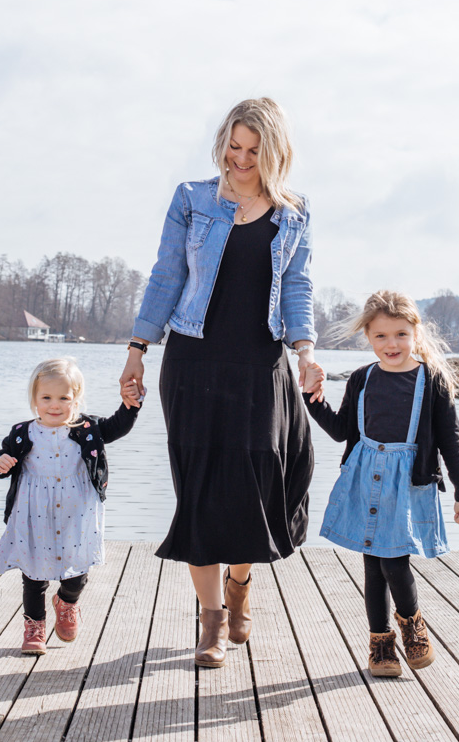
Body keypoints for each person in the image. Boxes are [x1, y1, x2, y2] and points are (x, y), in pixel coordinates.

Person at [119, 97, 322, 668]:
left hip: (261, 367)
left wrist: (306, 352)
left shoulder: (295, 211)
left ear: (275, 153)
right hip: (193, 363)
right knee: (201, 494)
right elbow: (167, 275)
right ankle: (210, 623)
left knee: (256, 490)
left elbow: (299, 286)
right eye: (233, 147)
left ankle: (240, 584)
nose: (239, 159)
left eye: (253, 151)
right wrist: (137, 350)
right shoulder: (192, 199)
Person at [302, 291, 459, 678]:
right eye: (380, 336)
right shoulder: (362, 378)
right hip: (365, 476)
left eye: (399, 334)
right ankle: (381, 645)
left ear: (415, 332)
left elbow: (451, 440)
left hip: (408, 483)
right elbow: (344, 430)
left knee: (394, 559)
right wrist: (314, 401)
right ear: (368, 337)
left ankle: (411, 624)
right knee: (373, 564)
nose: (391, 344)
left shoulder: (432, 381)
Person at [0, 356, 141, 655]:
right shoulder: (22, 433)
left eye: (64, 397)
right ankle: (35, 626)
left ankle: (67, 601)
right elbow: (0, 459)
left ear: (76, 399)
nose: (54, 405)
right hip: (34, 513)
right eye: (46, 397)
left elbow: (117, 427)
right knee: (34, 573)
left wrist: (130, 405)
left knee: (77, 571)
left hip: (77, 513)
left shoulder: (87, 428)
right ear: (34, 399)